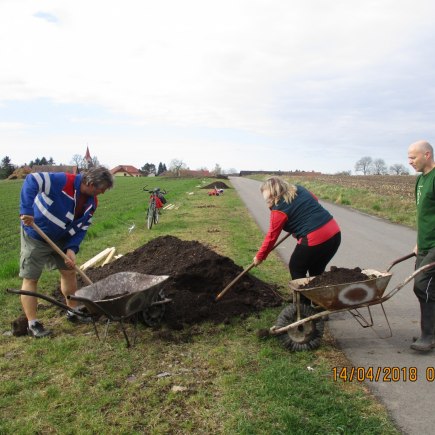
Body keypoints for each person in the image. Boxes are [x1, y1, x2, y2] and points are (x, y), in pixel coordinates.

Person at [19, 166, 114, 338]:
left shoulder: (92, 202)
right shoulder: (62, 181)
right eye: (102, 189)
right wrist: (27, 210)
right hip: (37, 234)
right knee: (31, 277)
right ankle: (32, 324)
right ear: (91, 183)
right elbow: (32, 180)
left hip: (62, 238)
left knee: (69, 271)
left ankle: (73, 311)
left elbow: (82, 228)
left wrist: (71, 248)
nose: (103, 193)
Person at [253, 176, 341, 304]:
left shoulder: (279, 210)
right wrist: (297, 218)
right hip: (334, 233)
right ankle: (318, 303)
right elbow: (314, 200)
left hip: (315, 237)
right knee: (316, 270)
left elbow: (272, 236)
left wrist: (259, 257)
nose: (268, 202)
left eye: (268, 199)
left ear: (274, 193)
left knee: (296, 267)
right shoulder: (300, 189)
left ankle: (303, 305)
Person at [407, 140, 435, 351]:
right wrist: (419, 242)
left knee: (422, 285)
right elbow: (423, 214)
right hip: (425, 244)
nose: (410, 162)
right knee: (425, 290)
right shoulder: (420, 181)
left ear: (427, 155)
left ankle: (428, 336)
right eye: (408, 157)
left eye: (413, 157)